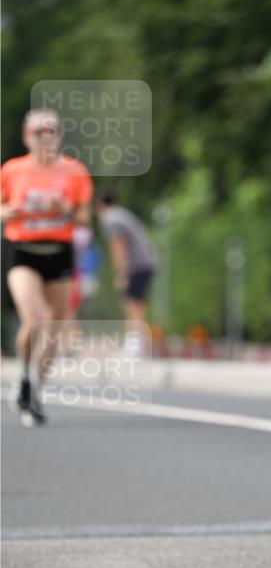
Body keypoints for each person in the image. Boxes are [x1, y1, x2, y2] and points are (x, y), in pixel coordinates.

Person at [1, 108, 94, 425]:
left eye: (52, 130)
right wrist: (8, 213)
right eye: (40, 131)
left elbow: (84, 218)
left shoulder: (75, 171)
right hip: (23, 250)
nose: (46, 137)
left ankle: (34, 386)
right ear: (27, 136)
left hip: (59, 251)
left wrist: (65, 209)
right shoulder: (12, 170)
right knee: (35, 318)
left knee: (54, 329)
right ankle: (24, 376)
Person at [96, 193, 158, 336]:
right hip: (147, 262)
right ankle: (140, 339)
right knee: (138, 303)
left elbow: (118, 246)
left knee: (131, 303)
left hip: (136, 265)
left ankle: (134, 340)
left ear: (100, 205)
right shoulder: (121, 214)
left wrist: (121, 273)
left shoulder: (110, 219)